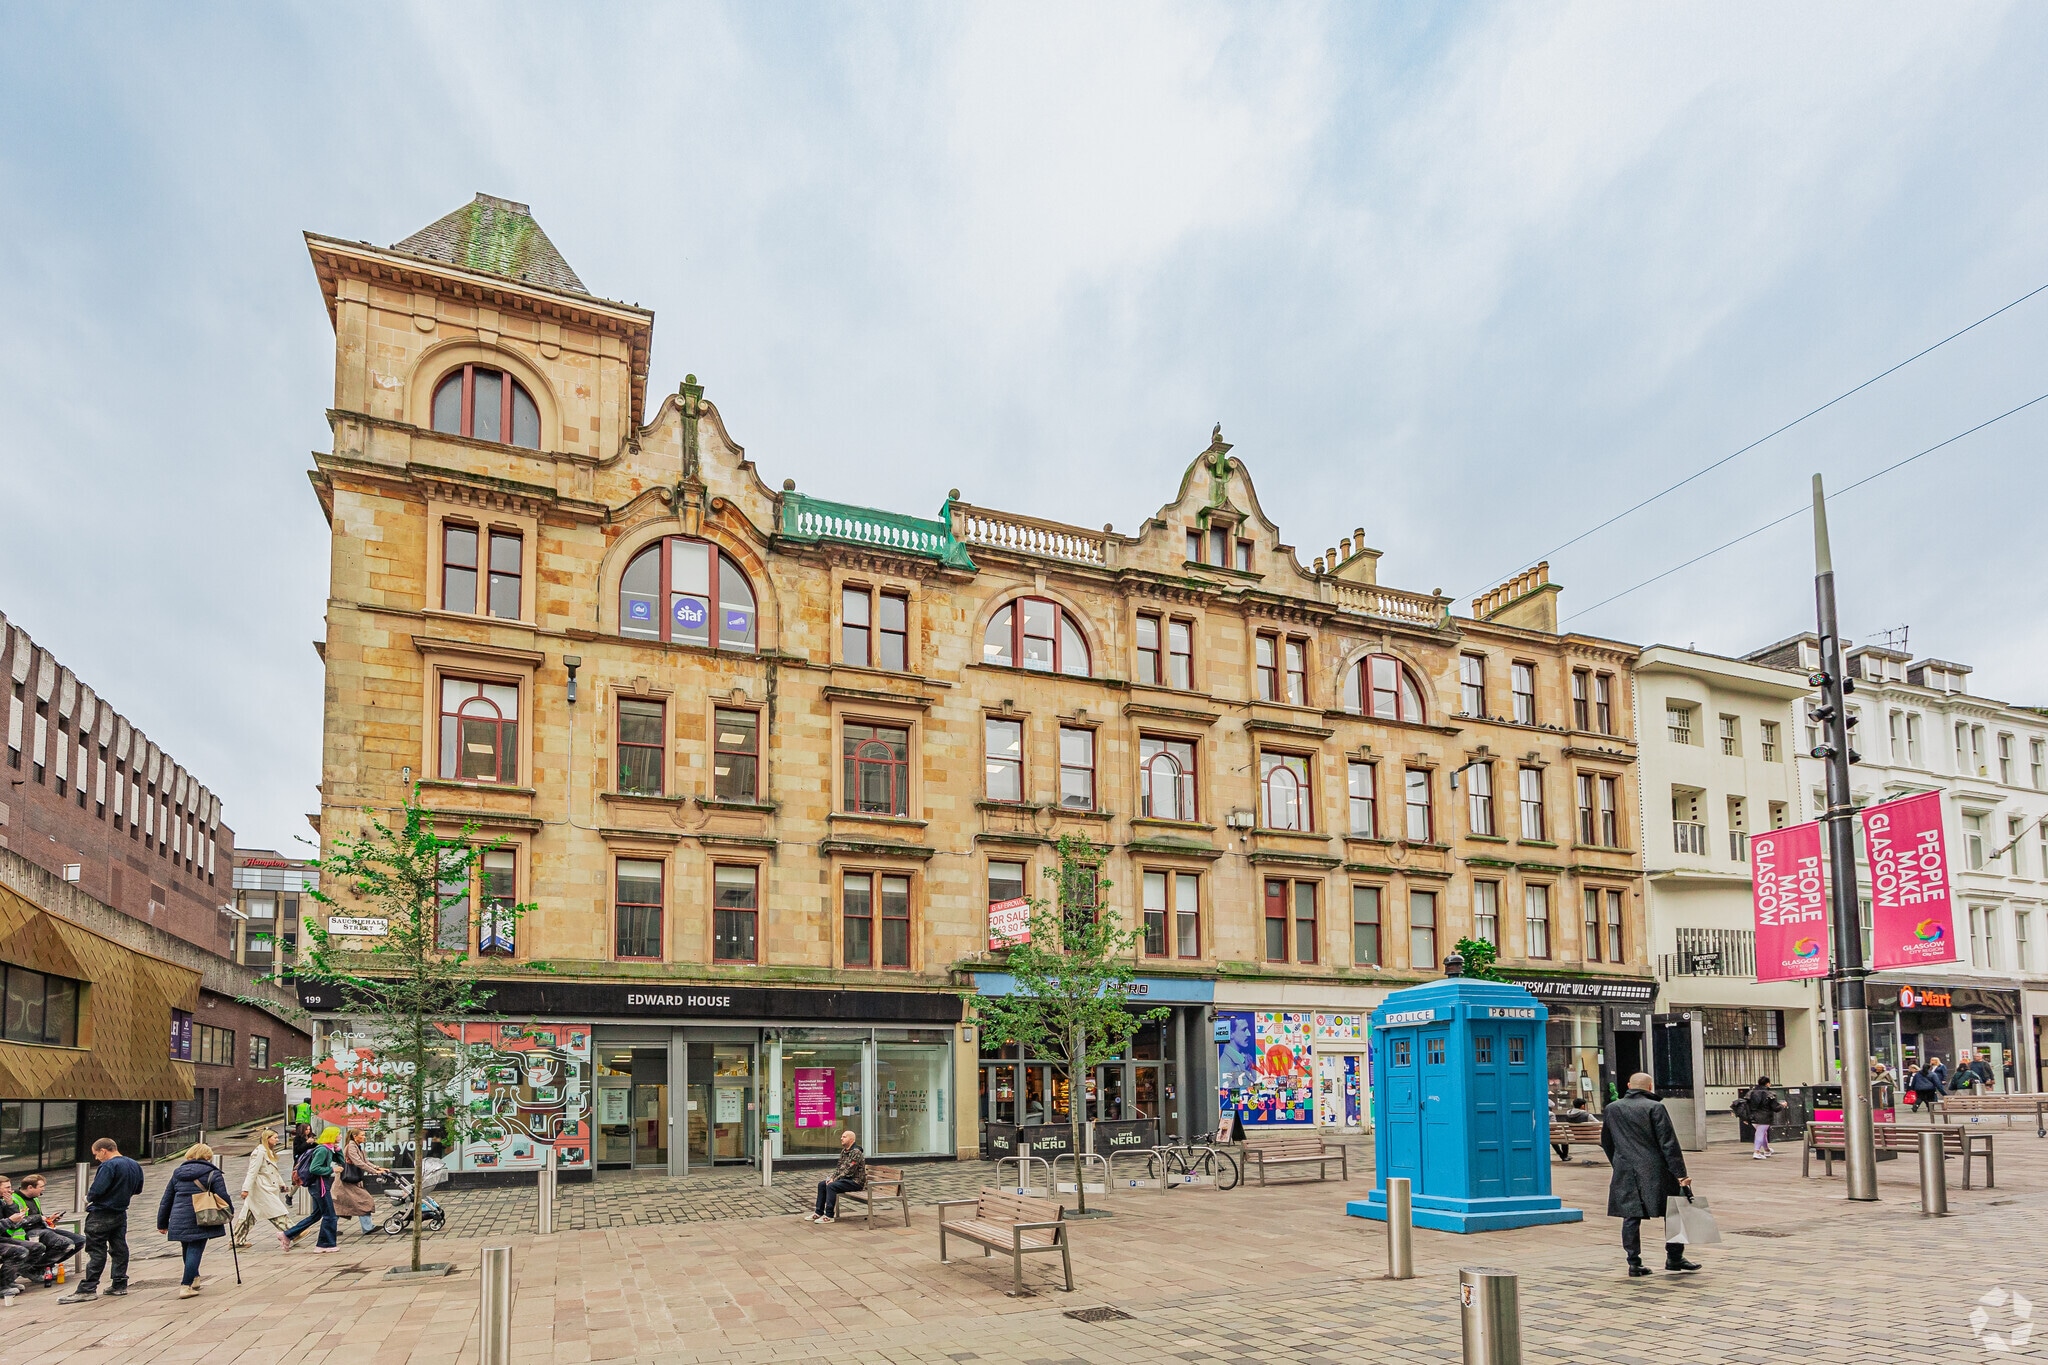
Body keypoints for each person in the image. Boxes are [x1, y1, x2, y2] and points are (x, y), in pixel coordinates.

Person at [1600, 1072, 1699, 1278]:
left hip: (1625, 1169)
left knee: (1630, 1216)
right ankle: (1674, 1257)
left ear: (1628, 1085)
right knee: (1674, 1211)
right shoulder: (1655, 1107)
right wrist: (1681, 1174)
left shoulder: (1612, 1108)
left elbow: (1607, 1141)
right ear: (1650, 1087)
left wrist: (1617, 1163)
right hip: (1656, 1170)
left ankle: (1634, 1262)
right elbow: (1668, 1143)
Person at [58, 1137, 146, 1303]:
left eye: (96, 1154)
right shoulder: (134, 1164)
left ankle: (88, 1288)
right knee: (119, 1248)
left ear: (103, 1150)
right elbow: (138, 1189)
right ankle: (119, 1284)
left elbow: (97, 1189)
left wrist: (88, 1198)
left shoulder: (109, 1165)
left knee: (96, 1250)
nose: (96, 1158)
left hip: (101, 1213)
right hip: (120, 1212)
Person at [157, 1142, 234, 1299]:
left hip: (179, 1216)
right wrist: (230, 1211)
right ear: (207, 1156)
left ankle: (195, 1278)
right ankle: (185, 1286)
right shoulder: (212, 1173)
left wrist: (162, 1223)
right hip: (201, 1215)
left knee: (187, 1248)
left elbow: (167, 1199)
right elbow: (223, 1195)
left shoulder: (177, 1173)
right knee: (195, 1249)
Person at [13, 1173, 86, 1283]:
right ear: (30, 1187)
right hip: (25, 1232)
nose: (43, 1190)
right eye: (41, 1187)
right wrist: (39, 1218)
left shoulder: (35, 1198)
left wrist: (49, 1219)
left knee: (79, 1241)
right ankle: (33, 1268)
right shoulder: (14, 1200)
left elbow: (39, 1217)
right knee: (64, 1243)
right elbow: (16, 1222)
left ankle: (41, 1266)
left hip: (42, 1229)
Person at [281, 1125, 342, 1251]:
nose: (340, 1136)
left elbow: (341, 1161)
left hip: (319, 1186)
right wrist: (332, 1169)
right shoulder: (322, 1150)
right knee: (330, 1215)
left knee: (316, 1215)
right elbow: (314, 1168)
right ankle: (325, 1245)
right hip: (319, 1186)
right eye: (338, 1134)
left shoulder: (329, 1149)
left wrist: (338, 1149)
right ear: (332, 1136)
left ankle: (287, 1235)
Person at [231, 1128, 296, 1248]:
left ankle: (237, 1239)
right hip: (260, 1189)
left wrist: (281, 1184)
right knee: (276, 1212)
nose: (277, 1139)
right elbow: (252, 1172)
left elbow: (274, 1172)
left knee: (247, 1215)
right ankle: (294, 1232)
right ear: (267, 1138)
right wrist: (245, 1189)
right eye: (275, 1137)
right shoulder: (259, 1152)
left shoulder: (268, 1152)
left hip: (266, 1187)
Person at [335, 1126, 391, 1235]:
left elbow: (365, 1161)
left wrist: (378, 1168)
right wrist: (375, 1172)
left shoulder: (357, 1146)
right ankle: (367, 1227)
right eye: (362, 1135)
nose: (364, 1137)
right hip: (347, 1181)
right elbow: (358, 1163)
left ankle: (330, 1228)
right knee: (364, 1200)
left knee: (342, 1204)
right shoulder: (351, 1147)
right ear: (355, 1136)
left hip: (351, 1180)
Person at [806, 1128, 866, 1225]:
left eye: (844, 1137)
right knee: (822, 1184)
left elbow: (849, 1170)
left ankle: (829, 1215)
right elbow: (839, 1168)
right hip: (845, 1181)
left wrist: (834, 1180)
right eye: (842, 1136)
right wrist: (831, 1178)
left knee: (831, 1186)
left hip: (855, 1182)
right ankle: (818, 1212)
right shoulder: (844, 1151)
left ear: (851, 1140)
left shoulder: (856, 1152)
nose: (841, 1138)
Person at [1739, 1077, 1784, 1159]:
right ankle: (1757, 1152)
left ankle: (1767, 1150)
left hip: (1753, 1117)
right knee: (1760, 1133)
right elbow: (1775, 1107)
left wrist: (1745, 1118)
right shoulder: (1769, 1094)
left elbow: (1746, 1105)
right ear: (1767, 1084)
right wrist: (1782, 1105)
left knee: (1763, 1133)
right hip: (1764, 1117)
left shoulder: (1750, 1093)